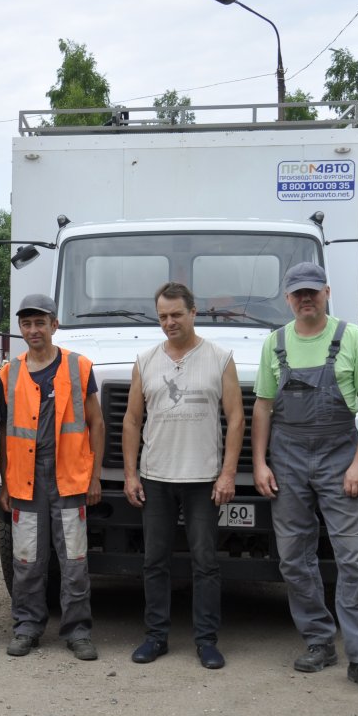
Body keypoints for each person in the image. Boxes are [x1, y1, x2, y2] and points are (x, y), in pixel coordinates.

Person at [252, 262, 358, 694]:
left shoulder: (352, 338)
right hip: (287, 457)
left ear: (326, 292)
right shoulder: (275, 342)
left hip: (339, 455)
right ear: (287, 298)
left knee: (352, 558)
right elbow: (262, 408)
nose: (305, 298)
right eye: (298, 293)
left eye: (312, 291)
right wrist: (260, 462)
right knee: (294, 556)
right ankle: (318, 641)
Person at [121, 283, 243, 669]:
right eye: (162, 316)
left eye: (176, 314)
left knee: (205, 562)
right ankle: (155, 637)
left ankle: (206, 641)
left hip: (203, 478)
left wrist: (227, 474)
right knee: (154, 561)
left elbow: (236, 418)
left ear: (194, 312)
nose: (169, 322)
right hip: (156, 476)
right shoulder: (145, 360)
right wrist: (130, 473)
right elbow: (132, 419)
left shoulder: (220, 358)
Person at [0, 294, 105, 660]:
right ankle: (27, 627)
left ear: (54, 325)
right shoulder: (9, 373)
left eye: (40, 322)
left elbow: (97, 423)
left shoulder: (78, 368)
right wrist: (6, 481)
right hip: (26, 480)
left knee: (74, 559)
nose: (33, 330)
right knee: (26, 560)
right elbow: (2, 432)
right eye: (26, 323)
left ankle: (77, 631)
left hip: (70, 478)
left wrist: (94, 477)